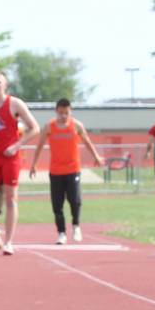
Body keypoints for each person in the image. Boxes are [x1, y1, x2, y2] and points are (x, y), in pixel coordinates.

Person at [29, 98, 104, 244]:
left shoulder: (76, 126)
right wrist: (34, 164)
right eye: (61, 113)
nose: (63, 116)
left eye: (66, 113)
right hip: (56, 170)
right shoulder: (49, 127)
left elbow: (87, 141)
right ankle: (61, 233)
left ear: (70, 111)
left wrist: (96, 156)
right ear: (56, 111)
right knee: (57, 203)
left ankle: (76, 226)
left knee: (75, 200)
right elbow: (39, 145)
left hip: (73, 169)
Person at [0, 70, 40, 255]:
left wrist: (16, 146)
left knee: (10, 198)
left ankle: (8, 241)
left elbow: (34, 128)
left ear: (5, 84)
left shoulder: (14, 103)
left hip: (10, 157)